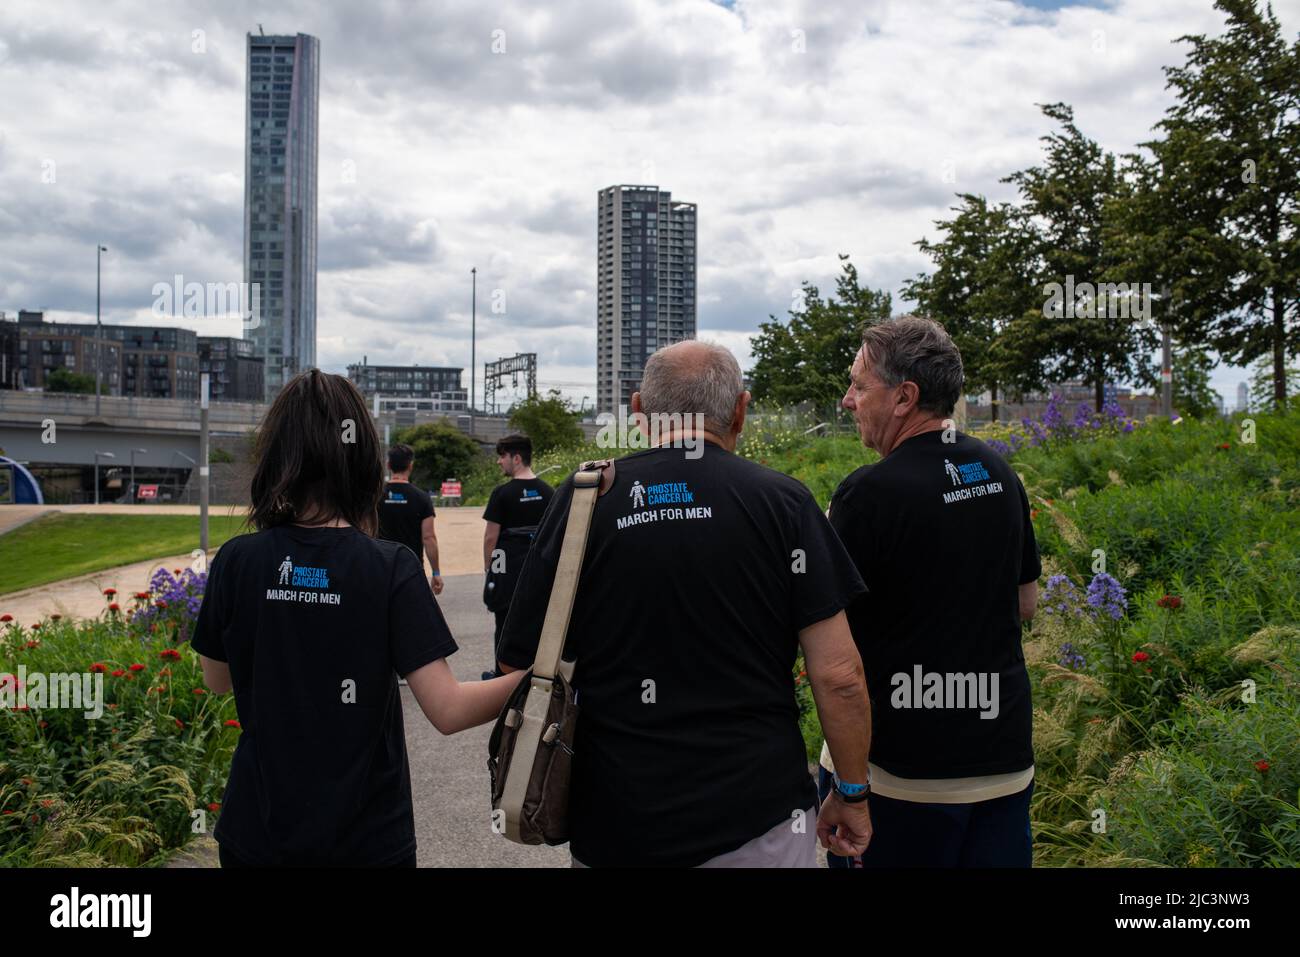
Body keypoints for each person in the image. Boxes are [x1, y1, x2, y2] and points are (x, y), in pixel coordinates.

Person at [497, 341, 874, 868]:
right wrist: (851, 793)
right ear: (741, 410)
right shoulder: (784, 503)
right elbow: (839, 675)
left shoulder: (584, 499)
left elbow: (519, 661)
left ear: (638, 413)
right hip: (758, 818)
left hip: (614, 820)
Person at [191, 369, 524, 868]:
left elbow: (217, 680)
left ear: (278, 456)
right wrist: (535, 678)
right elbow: (449, 710)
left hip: (255, 833)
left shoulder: (238, 559)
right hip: (366, 839)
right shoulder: (389, 567)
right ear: (362, 457)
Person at [820, 316, 1041, 868]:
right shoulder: (998, 471)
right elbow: (1025, 603)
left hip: (903, 779)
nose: (848, 401)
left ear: (904, 397)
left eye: (858, 385)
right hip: (1003, 764)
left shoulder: (866, 496)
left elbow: (829, 648)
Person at [480, 434, 553, 679]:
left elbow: (491, 537)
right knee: (538, 623)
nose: (500, 462)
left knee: (505, 624)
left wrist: (489, 569)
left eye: (503, 456)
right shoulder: (548, 492)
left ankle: (502, 676)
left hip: (507, 570)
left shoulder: (502, 494)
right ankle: (538, 674)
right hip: (539, 571)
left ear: (517, 458)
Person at [377, 443, 442, 597]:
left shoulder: (376, 496)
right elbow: (428, 537)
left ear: (388, 465)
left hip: (380, 565)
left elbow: (365, 530)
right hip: (411, 567)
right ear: (410, 466)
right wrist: (436, 572)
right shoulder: (422, 498)